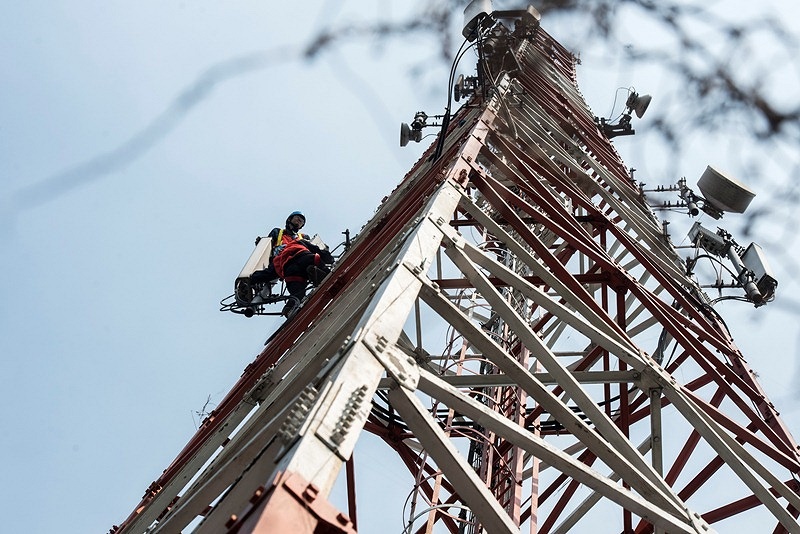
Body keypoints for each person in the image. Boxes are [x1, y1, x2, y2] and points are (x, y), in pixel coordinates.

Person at [250, 211, 333, 316]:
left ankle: (290, 308)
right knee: (318, 262)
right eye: (297, 218)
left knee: (298, 293)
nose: (299, 221)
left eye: (302, 221)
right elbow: (315, 249)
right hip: (299, 257)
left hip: (287, 268)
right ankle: (319, 273)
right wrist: (328, 257)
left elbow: (270, 272)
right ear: (289, 219)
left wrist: (253, 279)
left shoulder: (303, 237)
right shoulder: (281, 234)